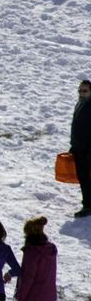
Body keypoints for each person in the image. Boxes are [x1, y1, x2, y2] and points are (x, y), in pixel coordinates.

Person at [70, 79, 91, 218]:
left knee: (86, 178)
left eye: (85, 91)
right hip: (79, 148)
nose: (81, 93)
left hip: (87, 150)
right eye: (80, 90)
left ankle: (88, 205)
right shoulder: (81, 104)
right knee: (83, 178)